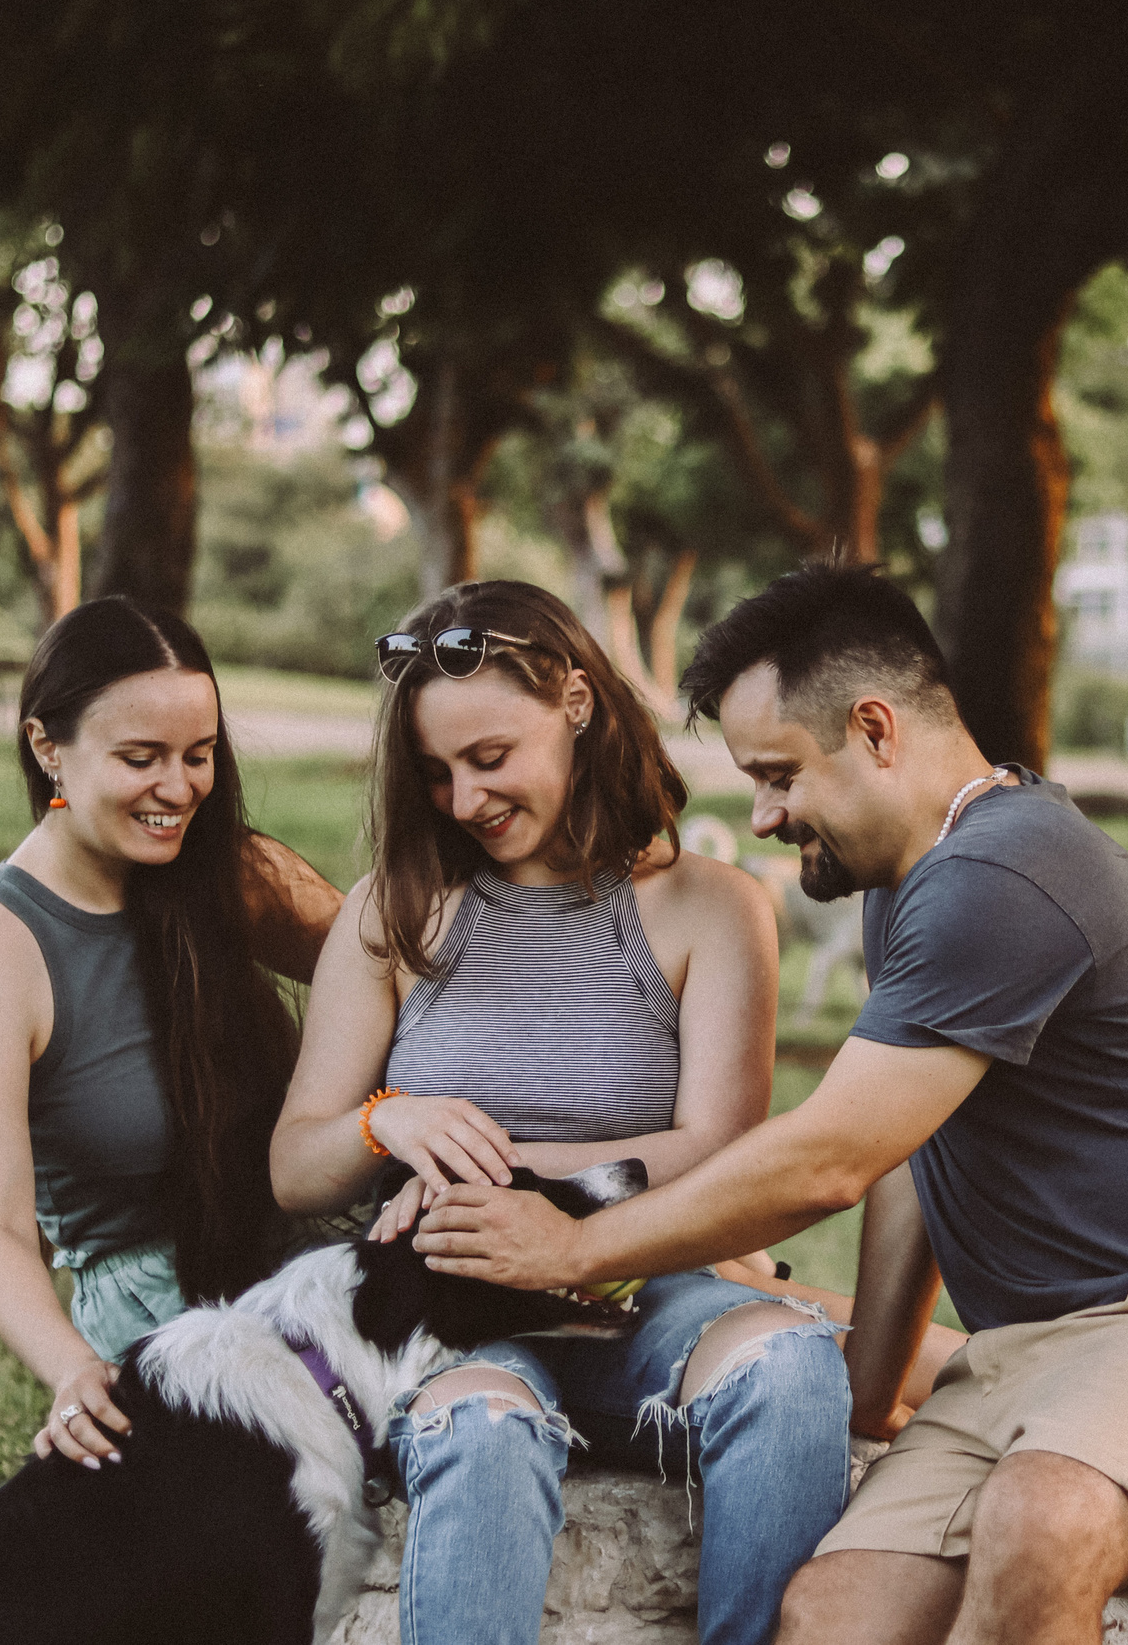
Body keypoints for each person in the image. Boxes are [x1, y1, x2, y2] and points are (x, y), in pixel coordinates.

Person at [406, 565, 1128, 1645]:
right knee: (829, 1615)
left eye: (777, 775)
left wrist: (565, 1251)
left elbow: (829, 1161)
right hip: (1031, 1354)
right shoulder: (907, 880)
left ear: (874, 728)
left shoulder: (1004, 873)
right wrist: (866, 1388)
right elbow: (911, 1150)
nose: (761, 815)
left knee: (1041, 1521)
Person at [267, 580, 854, 1645]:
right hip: (454, 1319)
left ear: (576, 702)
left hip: (647, 1305)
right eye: (437, 774)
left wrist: (500, 1167)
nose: (462, 800)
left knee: (792, 1368)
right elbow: (296, 1167)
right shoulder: (391, 911)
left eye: (488, 759)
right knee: (484, 1432)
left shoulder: (710, 908)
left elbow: (718, 1152)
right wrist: (385, 1125)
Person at [0, 597, 342, 1474]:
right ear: (49, 748)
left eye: (199, 755)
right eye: (140, 758)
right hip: (158, 1311)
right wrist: (74, 1369)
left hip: (305, 1260)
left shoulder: (230, 871)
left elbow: (391, 972)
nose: (181, 788)